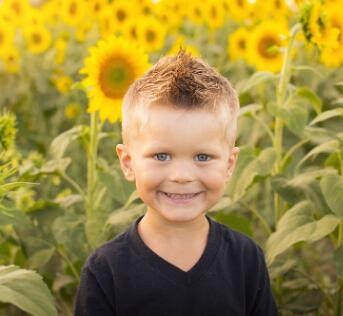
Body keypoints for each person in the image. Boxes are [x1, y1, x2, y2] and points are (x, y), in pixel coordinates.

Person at [74, 49, 277, 316]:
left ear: (229, 165)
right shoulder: (106, 271)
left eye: (202, 157)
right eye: (162, 155)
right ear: (128, 163)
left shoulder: (245, 260)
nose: (182, 175)